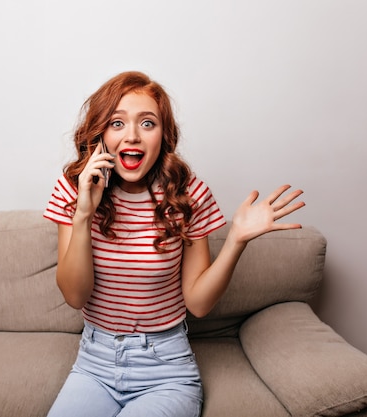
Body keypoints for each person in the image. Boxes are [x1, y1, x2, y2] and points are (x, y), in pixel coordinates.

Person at [43, 71, 305, 417]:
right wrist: (83, 213)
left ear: (163, 135)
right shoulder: (73, 189)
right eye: (117, 123)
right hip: (94, 365)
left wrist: (236, 241)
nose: (132, 136)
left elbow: (197, 304)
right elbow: (75, 296)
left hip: (165, 370)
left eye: (147, 123)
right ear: (100, 135)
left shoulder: (189, 195)